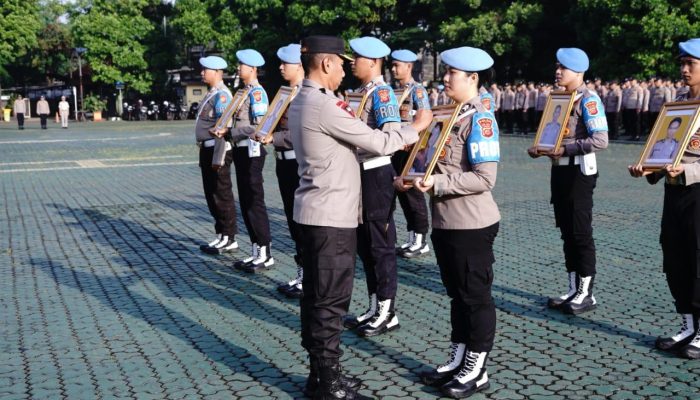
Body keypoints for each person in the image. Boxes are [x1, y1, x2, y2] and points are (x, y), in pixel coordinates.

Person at [288, 35, 420, 399]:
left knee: (319, 298)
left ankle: (322, 375)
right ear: (326, 63)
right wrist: (417, 127)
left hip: (320, 213)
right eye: (342, 62)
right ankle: (327, 384)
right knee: (330, 301)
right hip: (331, 216)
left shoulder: (308, 98)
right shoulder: (322, 104)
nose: (346, 68)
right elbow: (378, 142)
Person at [395, 46, 500, 399]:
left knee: (475, 297)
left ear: (473, 78)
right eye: (446, 72)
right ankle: (459, 358)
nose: (446, 78)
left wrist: (436, 183)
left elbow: (484, 179)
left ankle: (477, 367)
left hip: (471, 224)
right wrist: (413, 174)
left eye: (453, 73)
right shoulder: (448, 115)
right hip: (445, 222)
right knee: (457, 296)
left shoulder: (481, 120)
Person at [629, 38, 700, 359]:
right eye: (682, 64)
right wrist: (649, 169)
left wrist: (685, 172)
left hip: (697, 191)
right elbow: (663, 148)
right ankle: (688, 324)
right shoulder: (679, 102)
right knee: (675, 256)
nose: (684, 70)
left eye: (691, 65)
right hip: (674, 193)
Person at [341, 36, 413, 338]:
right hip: (359, 175)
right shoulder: (361, 93)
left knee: (381, 246)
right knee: (366, 245)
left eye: (357, 58)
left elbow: (392, 136)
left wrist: (360, 143)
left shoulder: (382, 95)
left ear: (373, 62)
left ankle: (387, 310)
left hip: (375, 175)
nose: (352, 63)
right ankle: (374, 305)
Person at [527, 47, 608, 315]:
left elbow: (600, 140)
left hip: (579, 172)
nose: (557, 71)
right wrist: (541, 147)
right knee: (566, 230)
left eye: (563, 67)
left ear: (579, 71)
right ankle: (573, 288)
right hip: (559, 170)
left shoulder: (588, 100)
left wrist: (566, 149)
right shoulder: (560, 99)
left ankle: (586, 292)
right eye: (557, 66)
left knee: (580, 232)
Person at [261, 43, 306, 294]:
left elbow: (302, 132)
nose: (280, 67)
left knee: (301, 221)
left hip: (297, 162)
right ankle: (302, 272)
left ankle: (307, 275)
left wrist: (274, 138)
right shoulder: (286, 93)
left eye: (285, 63)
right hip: (283, 162)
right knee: (292, 220)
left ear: (299, 66)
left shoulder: (303, 95)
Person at [228, 49, 274, 270]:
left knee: (255, 202)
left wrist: (233, 133)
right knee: (246, 202)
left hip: (251, 151)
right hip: (241, 150)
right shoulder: (243, 92)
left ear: (253, 69)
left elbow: (259, 126)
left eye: (242, 65)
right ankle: (256, 249)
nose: (238, 68)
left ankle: (265, 252)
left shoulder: (257, 94)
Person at [390, 49, 434, 259]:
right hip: (397, 148)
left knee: (413, 194)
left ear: (409, 66)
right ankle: (411, 237)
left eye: (397, 65)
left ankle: (421, 240)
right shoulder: (395, 91)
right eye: (392, 64)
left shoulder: (417, 91)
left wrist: (410, 139)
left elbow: (425, 119)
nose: (393, 68)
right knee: (402, 193)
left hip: (412, 149)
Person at [195, 56, 240, 256]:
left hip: (218, 148)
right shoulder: (212, 94)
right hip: (207, 147)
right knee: (211, 192)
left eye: (206, 70)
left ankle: (229, 237)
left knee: (221, 193)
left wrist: (219, 155)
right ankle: (221, 233)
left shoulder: (222, 96)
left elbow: (225, 126)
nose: (202, 73)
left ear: (216, 72)